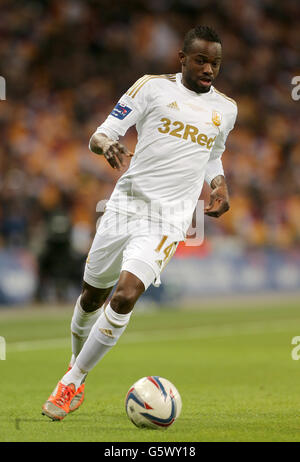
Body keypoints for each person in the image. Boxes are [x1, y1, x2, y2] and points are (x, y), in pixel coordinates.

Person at [42, 25, 237, 421]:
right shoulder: (150, 88)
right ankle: (75, 365)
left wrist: (218, 182)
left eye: (215, 63)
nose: (209, 69)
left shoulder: (226, 109)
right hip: (124, 208)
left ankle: (71, 383)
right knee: (91, 297)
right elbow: (102, 134)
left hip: (168, 219)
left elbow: (212, 153)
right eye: (201, 60)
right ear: (181, 58)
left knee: (125, 295)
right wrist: (106, 144)